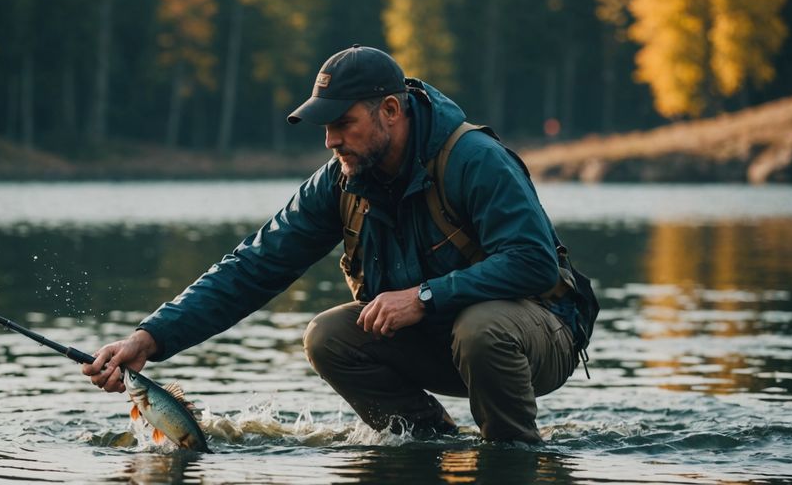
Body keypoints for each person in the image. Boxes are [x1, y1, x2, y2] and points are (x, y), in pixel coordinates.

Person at [82, 45, 594, 443]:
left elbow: (533, 262)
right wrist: (149, 338)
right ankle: (428, 445)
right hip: (444, 340)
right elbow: (252, 266)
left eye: (343, 123)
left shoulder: (474, 159)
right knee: (328, 335)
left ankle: (513, 455)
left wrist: (424, 296)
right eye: (325, 126)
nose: (329, 140)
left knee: (481, 327)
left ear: (390, 110)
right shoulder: (340, 180)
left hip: (537, 336)